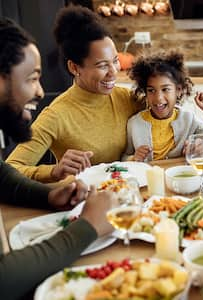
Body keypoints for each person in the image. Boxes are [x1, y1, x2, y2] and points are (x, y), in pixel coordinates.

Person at [0, 18, 115, 300]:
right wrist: (87, 227)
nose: (40, 91)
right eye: (32, 78)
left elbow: (1, 175)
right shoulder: (57, 113)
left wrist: (48, 196)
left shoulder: (120, 97)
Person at [6, 6, 140, 183]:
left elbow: (167, 110)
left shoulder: (125, 97)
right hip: (82, 203)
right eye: (102, 65)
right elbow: (11, 169)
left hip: (130, 195)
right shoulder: (56, 115)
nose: (113, 71)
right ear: (74, 67)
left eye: (115, 61)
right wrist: (54, 171)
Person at [123, 50, 203, 162]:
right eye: (151, 90)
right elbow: (124, 157)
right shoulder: (134, 124)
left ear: (179, 90)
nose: (158, 98)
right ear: (145, 92)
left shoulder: (189, 120)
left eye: (165, 89)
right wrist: (133, 158)